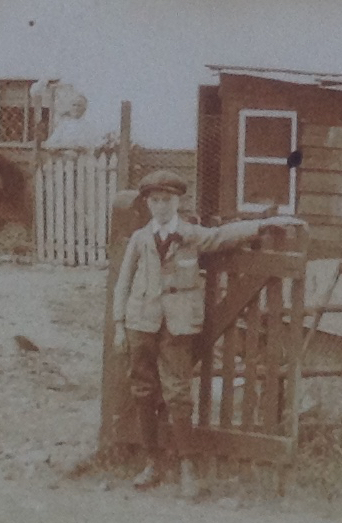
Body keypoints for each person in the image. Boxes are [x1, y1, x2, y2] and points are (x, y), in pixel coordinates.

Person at [112, 169, 304, 498]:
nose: (161, 206)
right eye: (155, 201)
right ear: (147, 203)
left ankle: (186, 465)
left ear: (178, 202)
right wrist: (119, 325)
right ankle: (152, 461)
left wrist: (263, 225)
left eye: (167, 200)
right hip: (140, 323)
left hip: (178, 326)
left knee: (177, 393)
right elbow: (123, 283)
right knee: (143, 389)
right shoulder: (140, 239)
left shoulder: (191, 235)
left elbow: (223, 235)